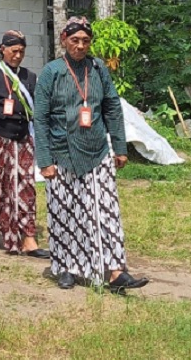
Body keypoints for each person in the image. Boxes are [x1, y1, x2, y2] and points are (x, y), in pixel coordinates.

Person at [34, 16, 148, 294]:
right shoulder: (51, 72)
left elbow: (112, 108)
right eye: (75, 40)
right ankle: (66, 268)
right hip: (62, 154)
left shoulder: (98, 70)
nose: (80, 45)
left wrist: (119, 147)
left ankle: (116, 271)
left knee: (106, 212)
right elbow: (40, 119)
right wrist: (45, 160)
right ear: (64, 40)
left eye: (85, 41)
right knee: (65, 212)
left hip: (97, 152)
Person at [0, 31, 48, 257]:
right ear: (3, 49)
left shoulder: (29, 77)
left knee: (25, 186)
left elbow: (36, 112)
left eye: (22, 51)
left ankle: (28, 237)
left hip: (21, 139)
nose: (18, 55)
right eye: (14, 51)